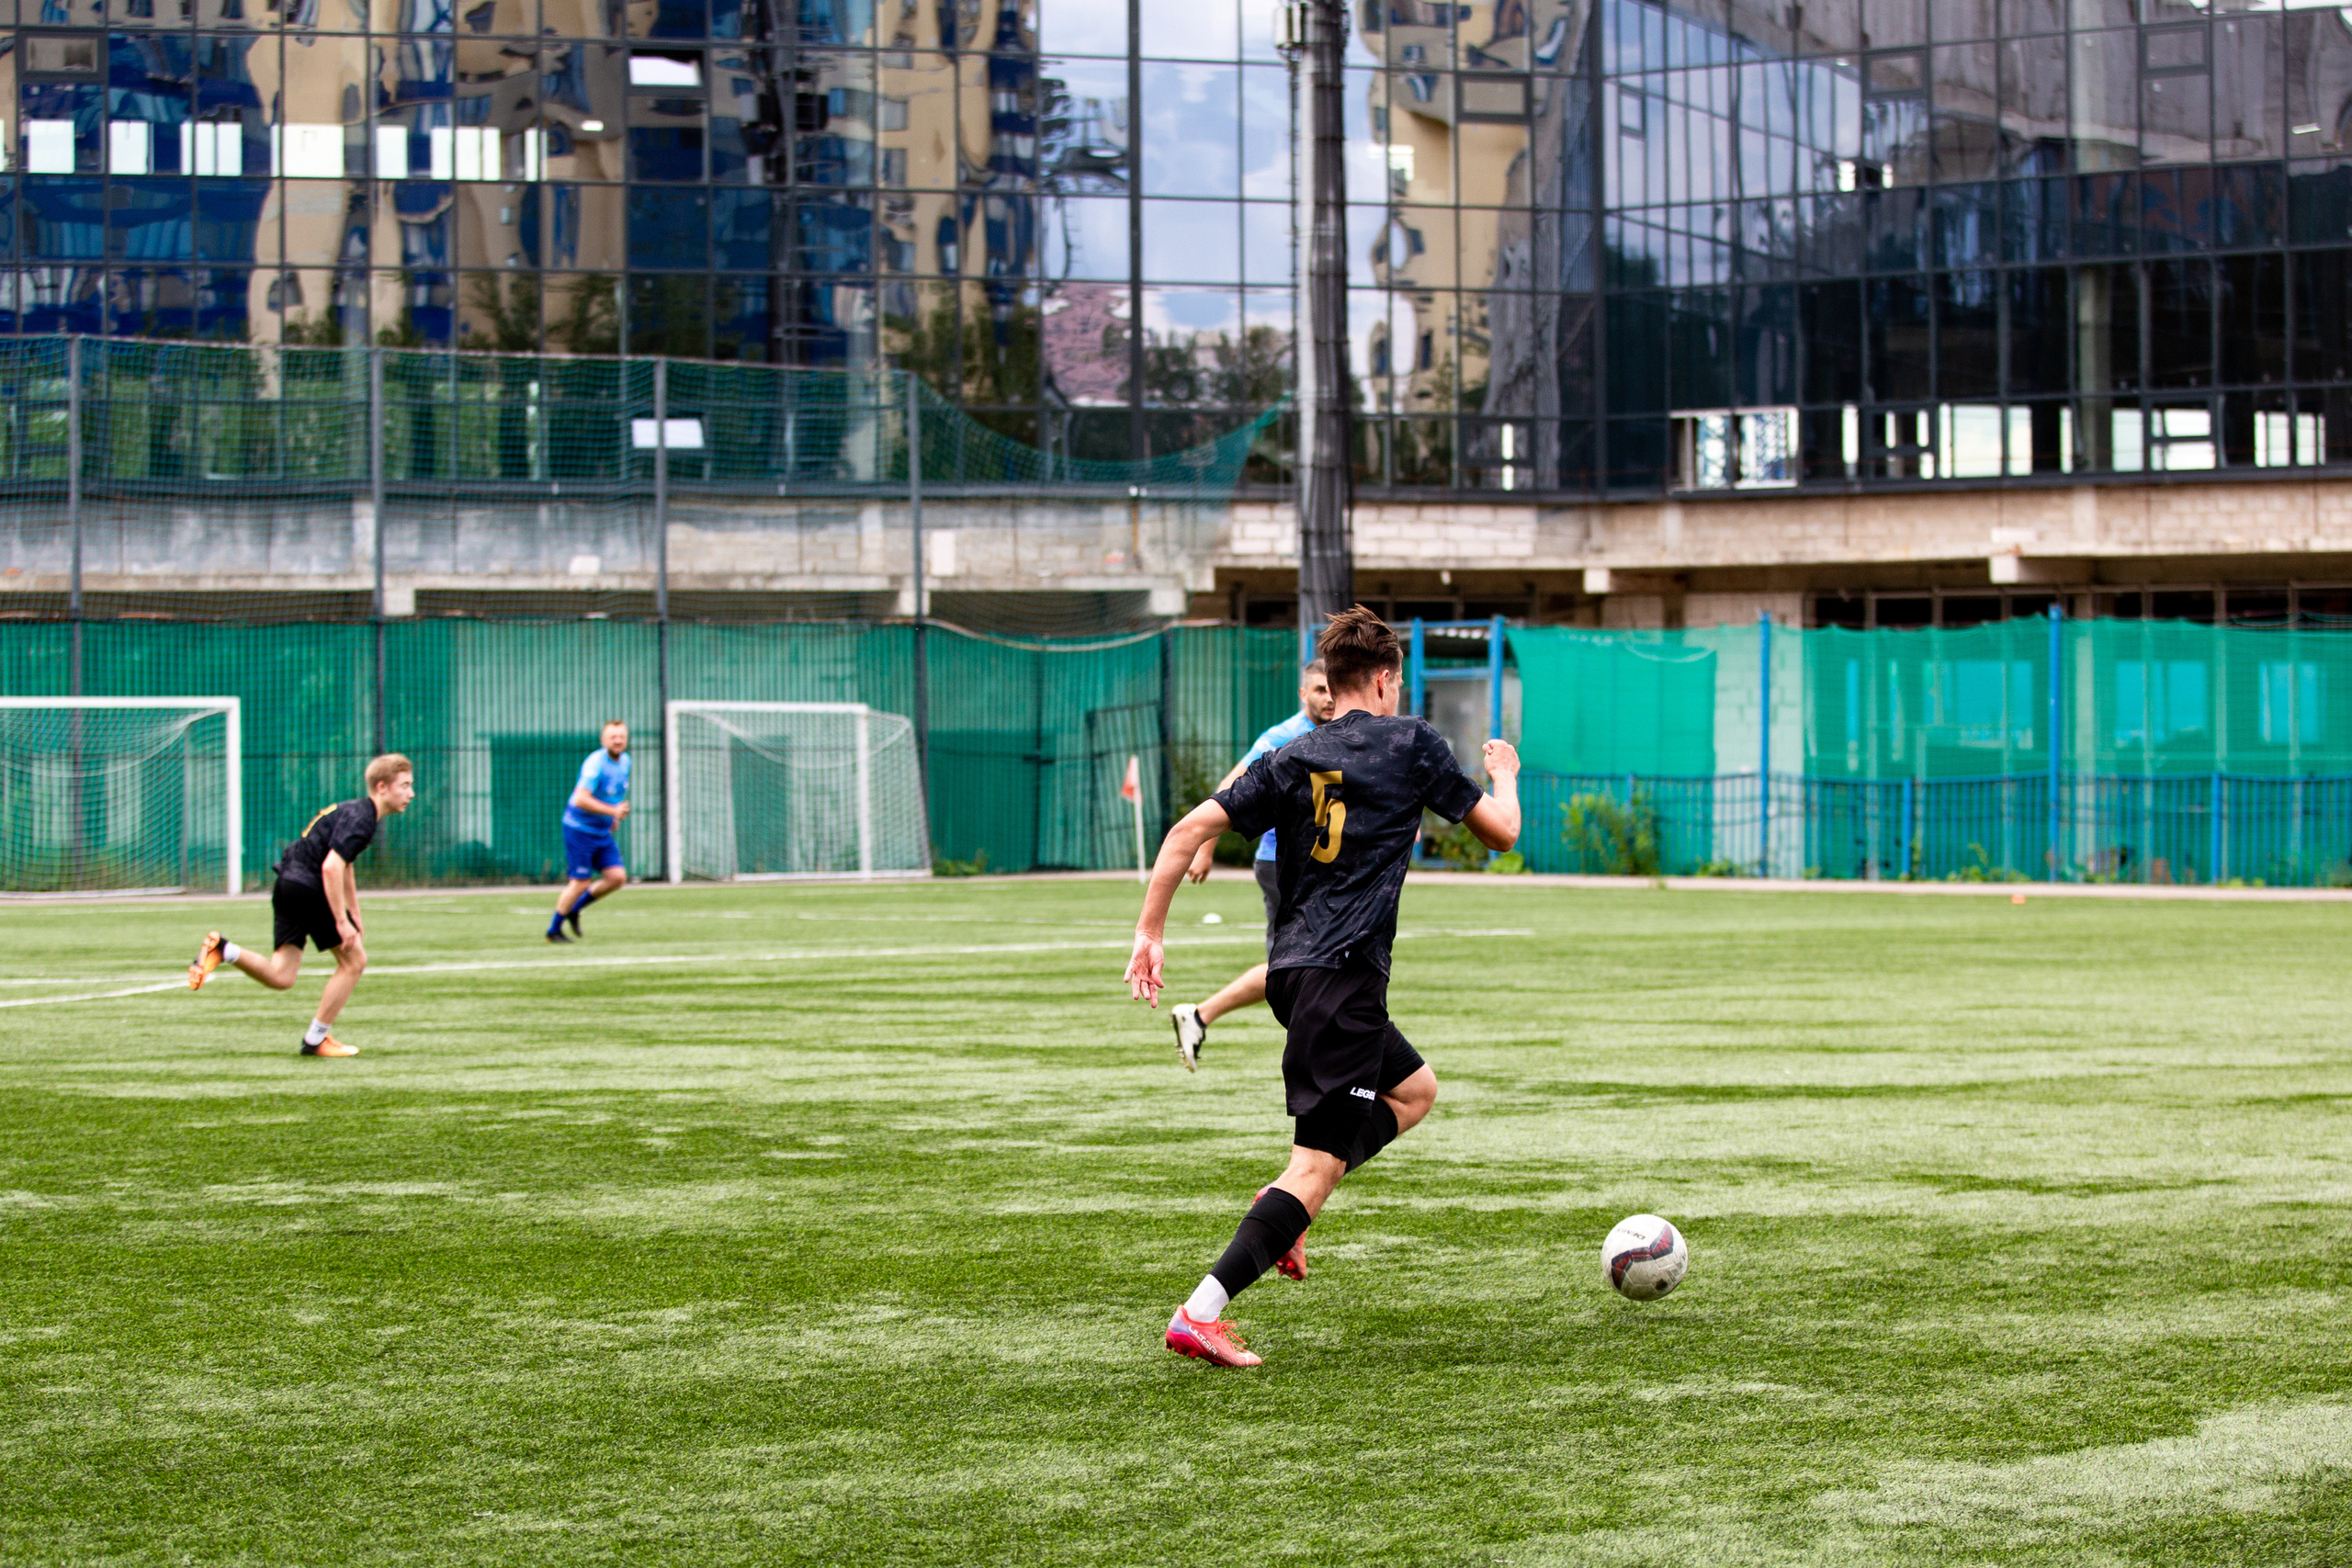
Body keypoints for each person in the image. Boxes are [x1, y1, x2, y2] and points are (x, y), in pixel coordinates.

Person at [1125, 605, 1521, 1367]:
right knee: (1313, 1164)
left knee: (1415, 1091)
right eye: (1397, 683)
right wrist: (1504, 772)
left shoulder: (1292, 754)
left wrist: (1150, 933)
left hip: (1292, 975)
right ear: (1381, 680)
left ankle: (1292, 1212)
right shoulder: (1412, 743)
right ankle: (1201, 1309)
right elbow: (1502, 833)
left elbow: (1184, 833)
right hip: (1345, 980)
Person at [186, 753, 416, 1058]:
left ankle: (223, 950)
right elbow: (331, 868)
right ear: (382, 787)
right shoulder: (362, 819)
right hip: (309, 885)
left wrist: (354, 912)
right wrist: (342, 921)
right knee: (354, 963)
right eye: (405, 786)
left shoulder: (354, 811)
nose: (411, 794)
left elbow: (345, 865)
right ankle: (316, 1040)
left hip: (288, 883)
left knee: (282, 976)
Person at [1168, 659, 1333, 1070]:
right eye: (1318, 690)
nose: (1328, 698)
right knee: (1296, 968)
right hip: (1284, 868)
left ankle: (1200, 1016)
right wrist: (1206, 847)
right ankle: (1316, 1049)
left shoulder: (1342, 732)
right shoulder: (1283, 737)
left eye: (1333, 689)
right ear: (1303, 694)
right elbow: (1231, 787)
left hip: (1322, 867)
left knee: (1300, 965)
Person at [547, 719, 632, 942]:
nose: (618, 740)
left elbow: (614, 792)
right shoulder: (595, 764)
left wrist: (611, 816)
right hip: (579, 830)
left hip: (601, 831)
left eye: (621, 736)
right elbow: (580, 799)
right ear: (603, 740)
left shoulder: (625, 762)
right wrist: (612, 810)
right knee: (580, 882)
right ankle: (553, 931)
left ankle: (575, 909)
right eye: (613, 737)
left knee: (617, 877)